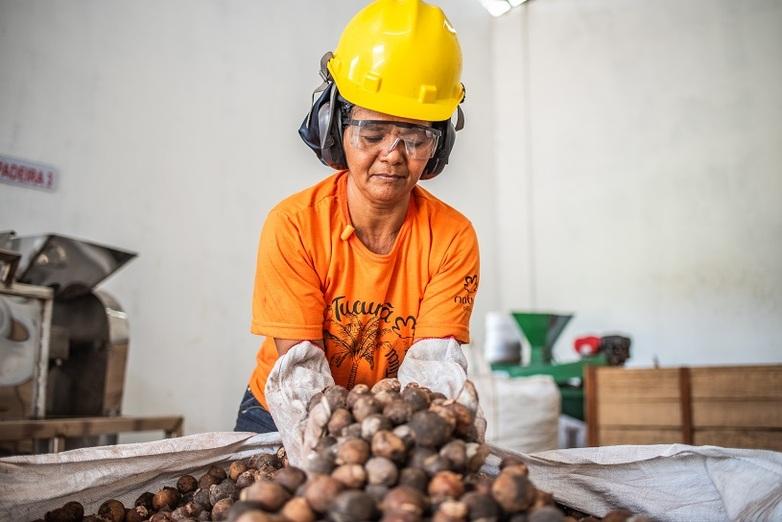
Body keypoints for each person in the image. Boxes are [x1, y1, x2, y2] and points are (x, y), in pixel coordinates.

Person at [234, 0, 479, 435]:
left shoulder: (451, 236)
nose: (392, 155)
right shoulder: (294, 224)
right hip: (283, 410)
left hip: (388, 419)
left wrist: (416, 443)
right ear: (332, 127)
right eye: (373, 133)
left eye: (415, 136)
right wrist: (341, 454)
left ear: (438, 146)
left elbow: (431, 372)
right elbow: (301, 376)